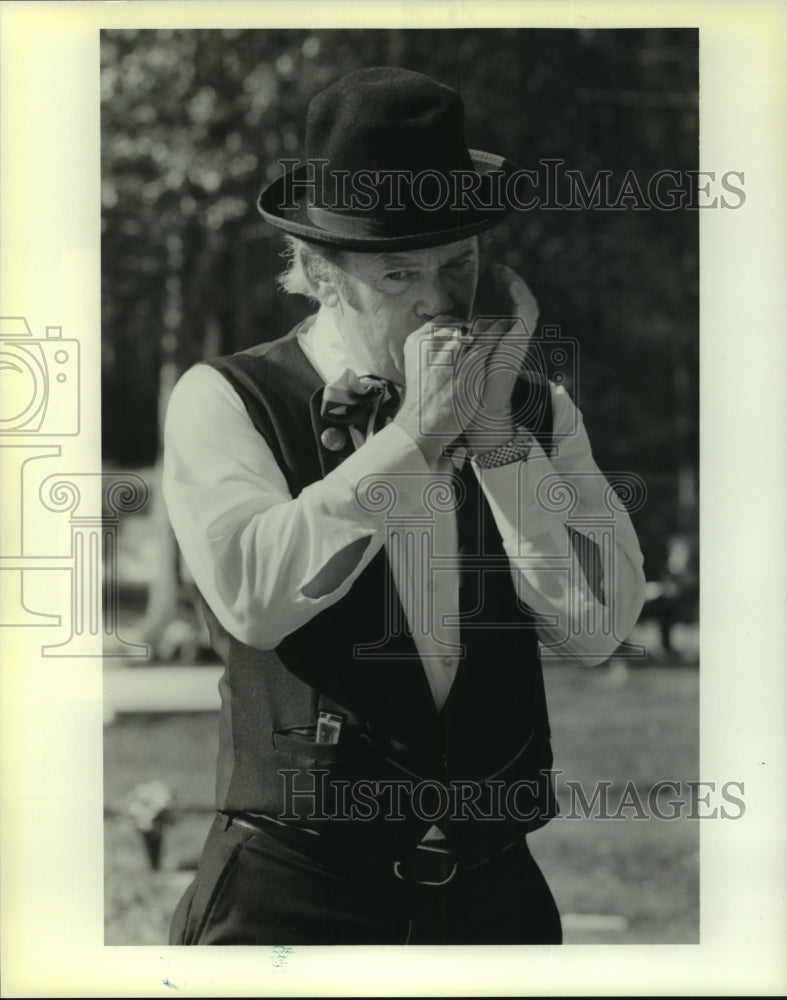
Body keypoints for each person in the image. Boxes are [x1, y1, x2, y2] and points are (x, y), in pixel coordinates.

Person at [162, 66, 646, 945]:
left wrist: (497, 439)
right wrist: (415, 437)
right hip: (291, 894)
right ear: (319, 273)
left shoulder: (540, 412)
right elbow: (256, 602)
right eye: (397, 274)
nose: (436, 299)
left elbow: (597, 625)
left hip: (492, 893)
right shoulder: (224, 398)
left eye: (456, 264)